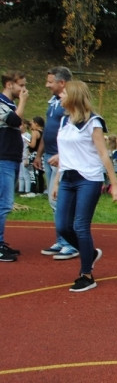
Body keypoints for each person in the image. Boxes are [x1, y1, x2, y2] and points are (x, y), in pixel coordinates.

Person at [52, 80, 117, 292]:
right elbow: (64, 155)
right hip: (68, 179)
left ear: (73, 96)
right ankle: (89, 252)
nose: (60, 96)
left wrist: (114, 184)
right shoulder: (64, 122)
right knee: (63, 226)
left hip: (88, 179)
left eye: (63, 93)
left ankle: (86, 274)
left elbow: (103, 154)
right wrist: (56, 181)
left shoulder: (94, 123)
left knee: (80, 226)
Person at [36, 66, 78, 260]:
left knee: (62, 200)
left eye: (50, 81)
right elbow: (49, 130)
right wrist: (39, 154)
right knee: (54, 200)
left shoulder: (71, 103)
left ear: (62, 83)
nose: (47, 85)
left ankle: (70, 242)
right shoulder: (53, 101)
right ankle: (62, 240)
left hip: (63, 159)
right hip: (49, 156)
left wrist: (64, 155)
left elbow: (74, 133)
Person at [0, 71, 28, 262]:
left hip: (11, 158)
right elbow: (13, 120)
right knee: (3, 203)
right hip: (3, 158)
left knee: (4, 203)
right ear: (10, 84)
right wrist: (23, 102)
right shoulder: (2, 102)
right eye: (21, 85)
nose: (24, 89)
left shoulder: (9, 104)